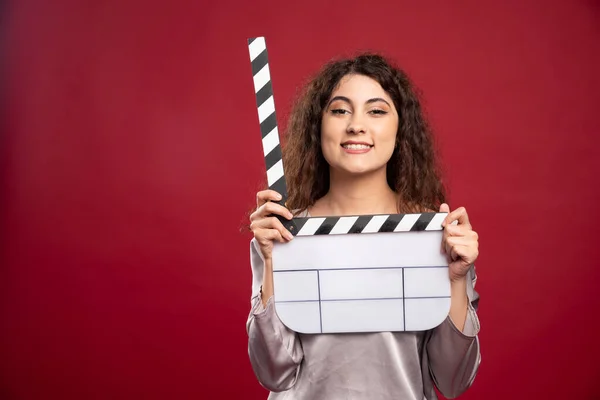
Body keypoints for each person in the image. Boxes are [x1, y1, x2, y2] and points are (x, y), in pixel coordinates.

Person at [245, 53, 480, 400]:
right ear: (318, 126)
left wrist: (457, 279)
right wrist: (270, 261)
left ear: (400, 129)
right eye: (340, 110)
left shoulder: (436, 235)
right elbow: (274, 372)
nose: (356, 124)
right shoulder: (281, 232)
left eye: (377, 110)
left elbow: (452, 380)